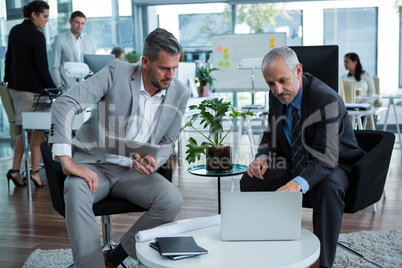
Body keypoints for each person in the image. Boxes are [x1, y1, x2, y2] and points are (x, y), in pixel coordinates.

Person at [49, 28, 190, 268]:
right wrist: (67, 161)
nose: (171, 75)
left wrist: (156, 160)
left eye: (175, 68)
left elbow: (168, 141)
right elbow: (65, 103)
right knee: (75, 189)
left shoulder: (180, 92)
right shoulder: (116, 72)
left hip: (134, 174)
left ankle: (115, 257)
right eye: (165, 68)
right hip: (96, 165)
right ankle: (90, 264)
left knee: (172, 200)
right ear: (145, 62)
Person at [240, 47, 366, 268]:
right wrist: (261, 156)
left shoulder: (326, 99)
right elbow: (271, 134)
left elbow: (327, 157)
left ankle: (324, 263)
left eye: (282, 80)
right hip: (296, 161)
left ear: (298, 71)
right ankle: (269, 250)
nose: (278, 90)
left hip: (335, 164)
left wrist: (296, 184)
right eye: (270, 84)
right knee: (251, 179)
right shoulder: (276, 96)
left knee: (327, 187)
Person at [1, 0, 56, 188]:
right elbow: (42, 68)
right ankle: (32, 172)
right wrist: (55, 90)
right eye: (45, 16)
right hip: (33, 92)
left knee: (27, 133)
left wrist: (7, 78)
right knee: (36, 134)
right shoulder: (37, 35)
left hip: (17, 89)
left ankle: (17, 170)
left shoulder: (15, 30)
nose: (46, 21)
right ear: (34, 15)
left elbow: (9, 57)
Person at [51, 11, 95, 90]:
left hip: (86, 86)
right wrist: (59, 85)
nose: (79, 26)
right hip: (67, 86)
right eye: (77, 22)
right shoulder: (59, 39)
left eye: (82, 23)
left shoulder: (89, 40)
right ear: (70, 22)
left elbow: (93, 64)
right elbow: (55, 65)